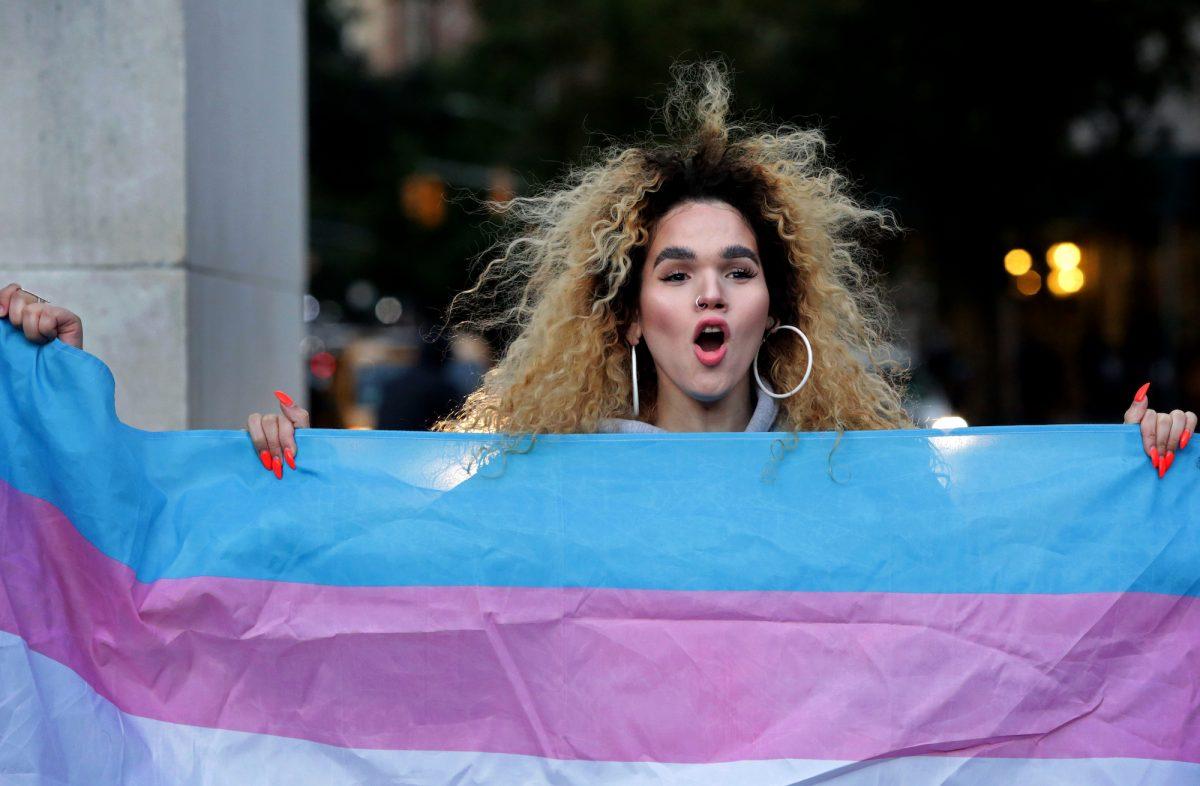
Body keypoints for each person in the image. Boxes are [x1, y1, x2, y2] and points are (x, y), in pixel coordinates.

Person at [1, 61, 1193, 479]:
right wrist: (288, 480)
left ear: (776, 300)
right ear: (628, 317)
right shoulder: (540, 480)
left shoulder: (857, 478)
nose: (712, 293)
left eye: (736, 269)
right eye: (677, 272)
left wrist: (1133, 477)